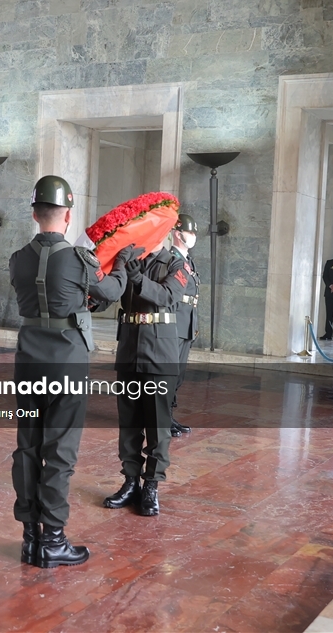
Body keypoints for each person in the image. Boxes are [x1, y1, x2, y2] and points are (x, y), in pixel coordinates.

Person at [9, 175, 134, 569]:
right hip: (65, 363)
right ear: (68, 215)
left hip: (28, 360)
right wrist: (124, 266)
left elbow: (50, 297)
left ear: (34, 213)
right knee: (60, 449)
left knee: (28, 446)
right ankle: (54, 540)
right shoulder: (79, 259)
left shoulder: (18, 258)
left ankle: (30, 539)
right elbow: (109, 292)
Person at [104, 220, 186, 517]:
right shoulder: (130, 261)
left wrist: (139, 280)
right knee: (128, 422)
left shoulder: (176, 263)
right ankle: (129, 482)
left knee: (156, 424)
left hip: (159, 353)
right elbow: (109, 296)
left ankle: (151, 485)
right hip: (129, 349)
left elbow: (168, 296)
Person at [169, 214, 199, 437]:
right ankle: (163, 419)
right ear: (178, 234)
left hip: (186, 321)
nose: (193, 236)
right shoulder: (171, 259)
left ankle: (169, 416)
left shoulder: (188, 260)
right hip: (175, 322)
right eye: (190, 232)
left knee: (178, 374)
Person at [321, 257, 333, 341]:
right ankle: (328, 333)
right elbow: (325, 276)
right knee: (329, 314)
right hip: (330, 293)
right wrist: (331, 286)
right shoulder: (329, 263)